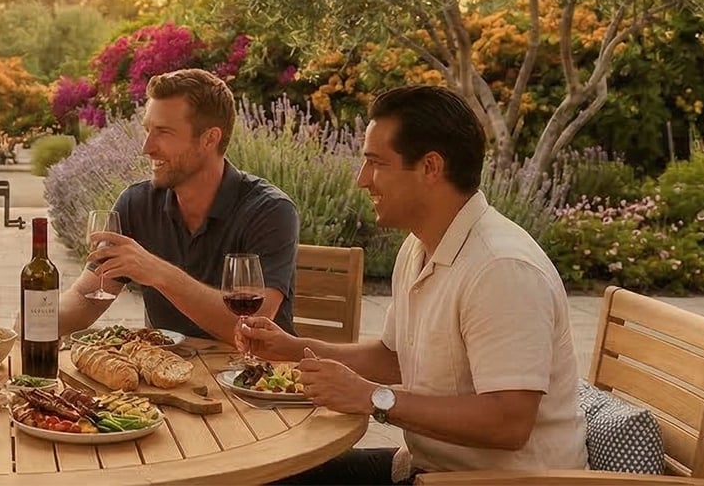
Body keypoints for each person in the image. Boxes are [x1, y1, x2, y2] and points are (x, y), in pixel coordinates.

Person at [237, 85, 586, 484]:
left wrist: (373, 397)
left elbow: (509, 422)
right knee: (263, 477)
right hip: (428, 470)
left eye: (376, 163)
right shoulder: (421, 245)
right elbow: (394, 357)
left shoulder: (501, 269)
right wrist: (294, 347)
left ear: (430, 168)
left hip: (490, 481)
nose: (361, 180)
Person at [57, 68, 300, 344]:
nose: (147, 147)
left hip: (252, 378)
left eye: (163, 132)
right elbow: (84, 298)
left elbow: (250, 328)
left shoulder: (269, 211)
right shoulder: (137, 204)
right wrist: (31, 322)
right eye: (148, 130)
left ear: (210, 138)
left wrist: (158, 272)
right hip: (166, 376)